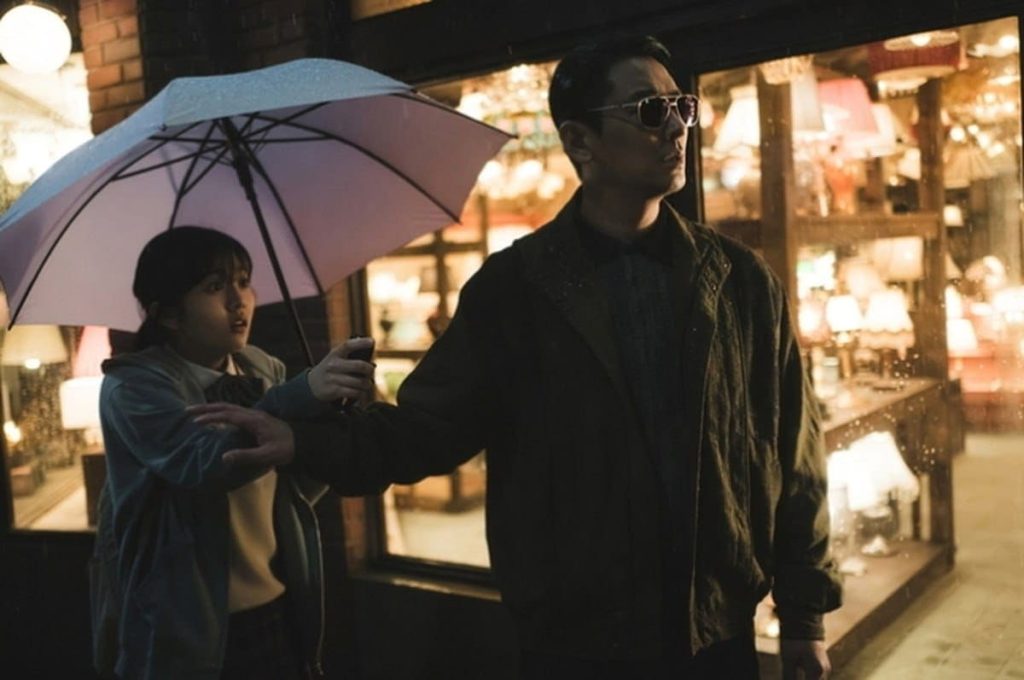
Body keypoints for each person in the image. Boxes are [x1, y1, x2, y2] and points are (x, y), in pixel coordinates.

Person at [194, 36, 842, 679]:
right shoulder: (515, 290)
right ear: (579, 142)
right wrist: (300, 439)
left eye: (683, 107)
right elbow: (423, 431)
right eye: (650, 110)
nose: (676, 127)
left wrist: (804, 618)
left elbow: (793, 452)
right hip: (578, 640)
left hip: (715, 633)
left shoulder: (741, 282)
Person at [89, 226, 375, 680]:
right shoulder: (133, 386)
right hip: (184, 623)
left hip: (279, 601)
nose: (239, 301)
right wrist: (301, 395)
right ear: (168, 315)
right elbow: (204, 464)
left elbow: (293, 485)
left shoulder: (263, 368)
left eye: (243, 281)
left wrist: (331, 420)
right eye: (215, 287)